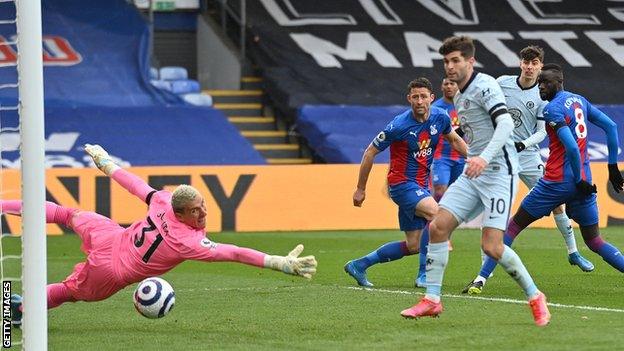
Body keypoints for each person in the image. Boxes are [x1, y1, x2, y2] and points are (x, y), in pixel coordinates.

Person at [9, 144, 317, 327]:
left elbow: (136, 185)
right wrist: (278, 262)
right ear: (180, 212)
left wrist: (107, 165)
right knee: (69, 291)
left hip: (113, 236)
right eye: (196, 210)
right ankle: (20, 310)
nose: (204, 213)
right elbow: (234, 253)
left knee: (67, 213)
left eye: (203, 205)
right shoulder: (189, 242)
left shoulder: (162, 200)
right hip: (112, 268)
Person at [400, 36, 551, 327]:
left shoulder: (485, 86)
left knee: (492, 246)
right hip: (475, 172)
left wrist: (483, 157)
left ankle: (535, 296)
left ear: (470, 61)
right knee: (438, 226)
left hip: (498, 173)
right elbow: (473, 131)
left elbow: (505, 123)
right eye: (446, 61)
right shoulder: (458, 93)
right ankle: (432, 299)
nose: (450, 66)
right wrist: (472, 155)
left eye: (456, 60)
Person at [463, 63, 624, 296]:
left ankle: (480, 280)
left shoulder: (552, 109)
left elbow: (570, 146)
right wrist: (611, 167)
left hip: (555, 183)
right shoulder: (579, 100)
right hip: (585, 183)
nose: (540, 88)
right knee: (595, 241)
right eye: (539, 83)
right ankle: (577, 253)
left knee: (512, 227)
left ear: (558, 83)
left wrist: (576, 178)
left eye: (545, 83)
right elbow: (610, 126)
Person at [344, 77, 467, 287]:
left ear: (431, 98)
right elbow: (369, 152)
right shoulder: (399, 125)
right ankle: (424, 275)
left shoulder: (440, 117)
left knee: (414, 245)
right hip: (401, 185)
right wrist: (360, 188)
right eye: (415, 97)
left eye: (424, 96)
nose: (420, 101)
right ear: (409, 99)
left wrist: (476, 161)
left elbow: (454, 140)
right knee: (437, 215)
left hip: (421, 186)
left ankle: (359, 265)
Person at [415, 78, 462, 288]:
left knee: (459, 194)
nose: (450, 87)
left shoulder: (463, 105)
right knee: (441, 189)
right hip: (442, 158)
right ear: (441, 88)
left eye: (453, 84)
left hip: (461, 158)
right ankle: (436, 223)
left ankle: (443, 227)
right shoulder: (435, 109)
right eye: (446, 84)